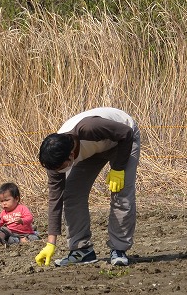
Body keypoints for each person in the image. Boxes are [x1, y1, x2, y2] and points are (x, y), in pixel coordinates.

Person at [34, 107, 139, 267]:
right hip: (94, 148)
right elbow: (55, 200)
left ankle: (119, 249)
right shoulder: (54, 161)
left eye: (62, 167)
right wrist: (51, 243)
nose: (58, 172)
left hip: (122, 140)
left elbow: (125, 133)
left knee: (120, 192)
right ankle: (82, 251)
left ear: (70, 156)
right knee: (72, 194)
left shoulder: (89, 128)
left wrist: (118, 169)